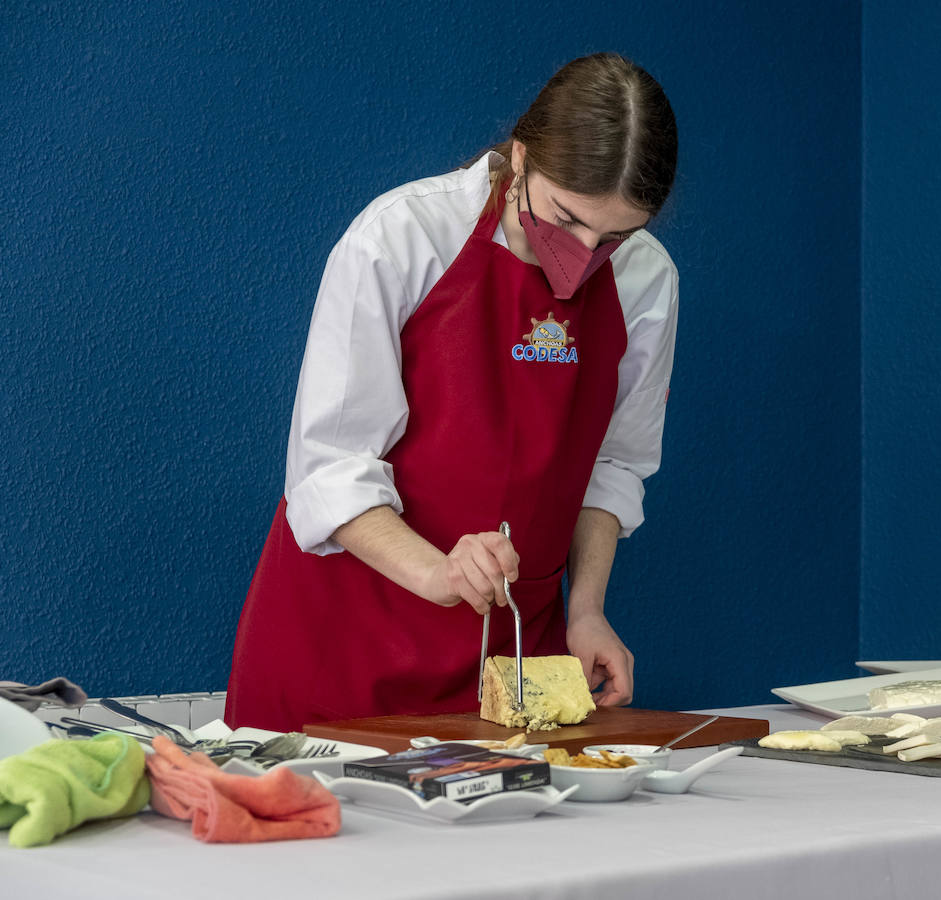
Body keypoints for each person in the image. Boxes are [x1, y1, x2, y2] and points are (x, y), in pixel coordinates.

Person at [225, 53, 678, 732]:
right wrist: (439, 574)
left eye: (612, 237)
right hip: (346, 641)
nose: (583, 254)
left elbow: (612, 468)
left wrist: (585, 609)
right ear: (521, 159)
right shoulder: (402, 237)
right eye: (564, 219)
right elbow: (330, 469)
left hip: (514, 654)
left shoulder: (647, 281)